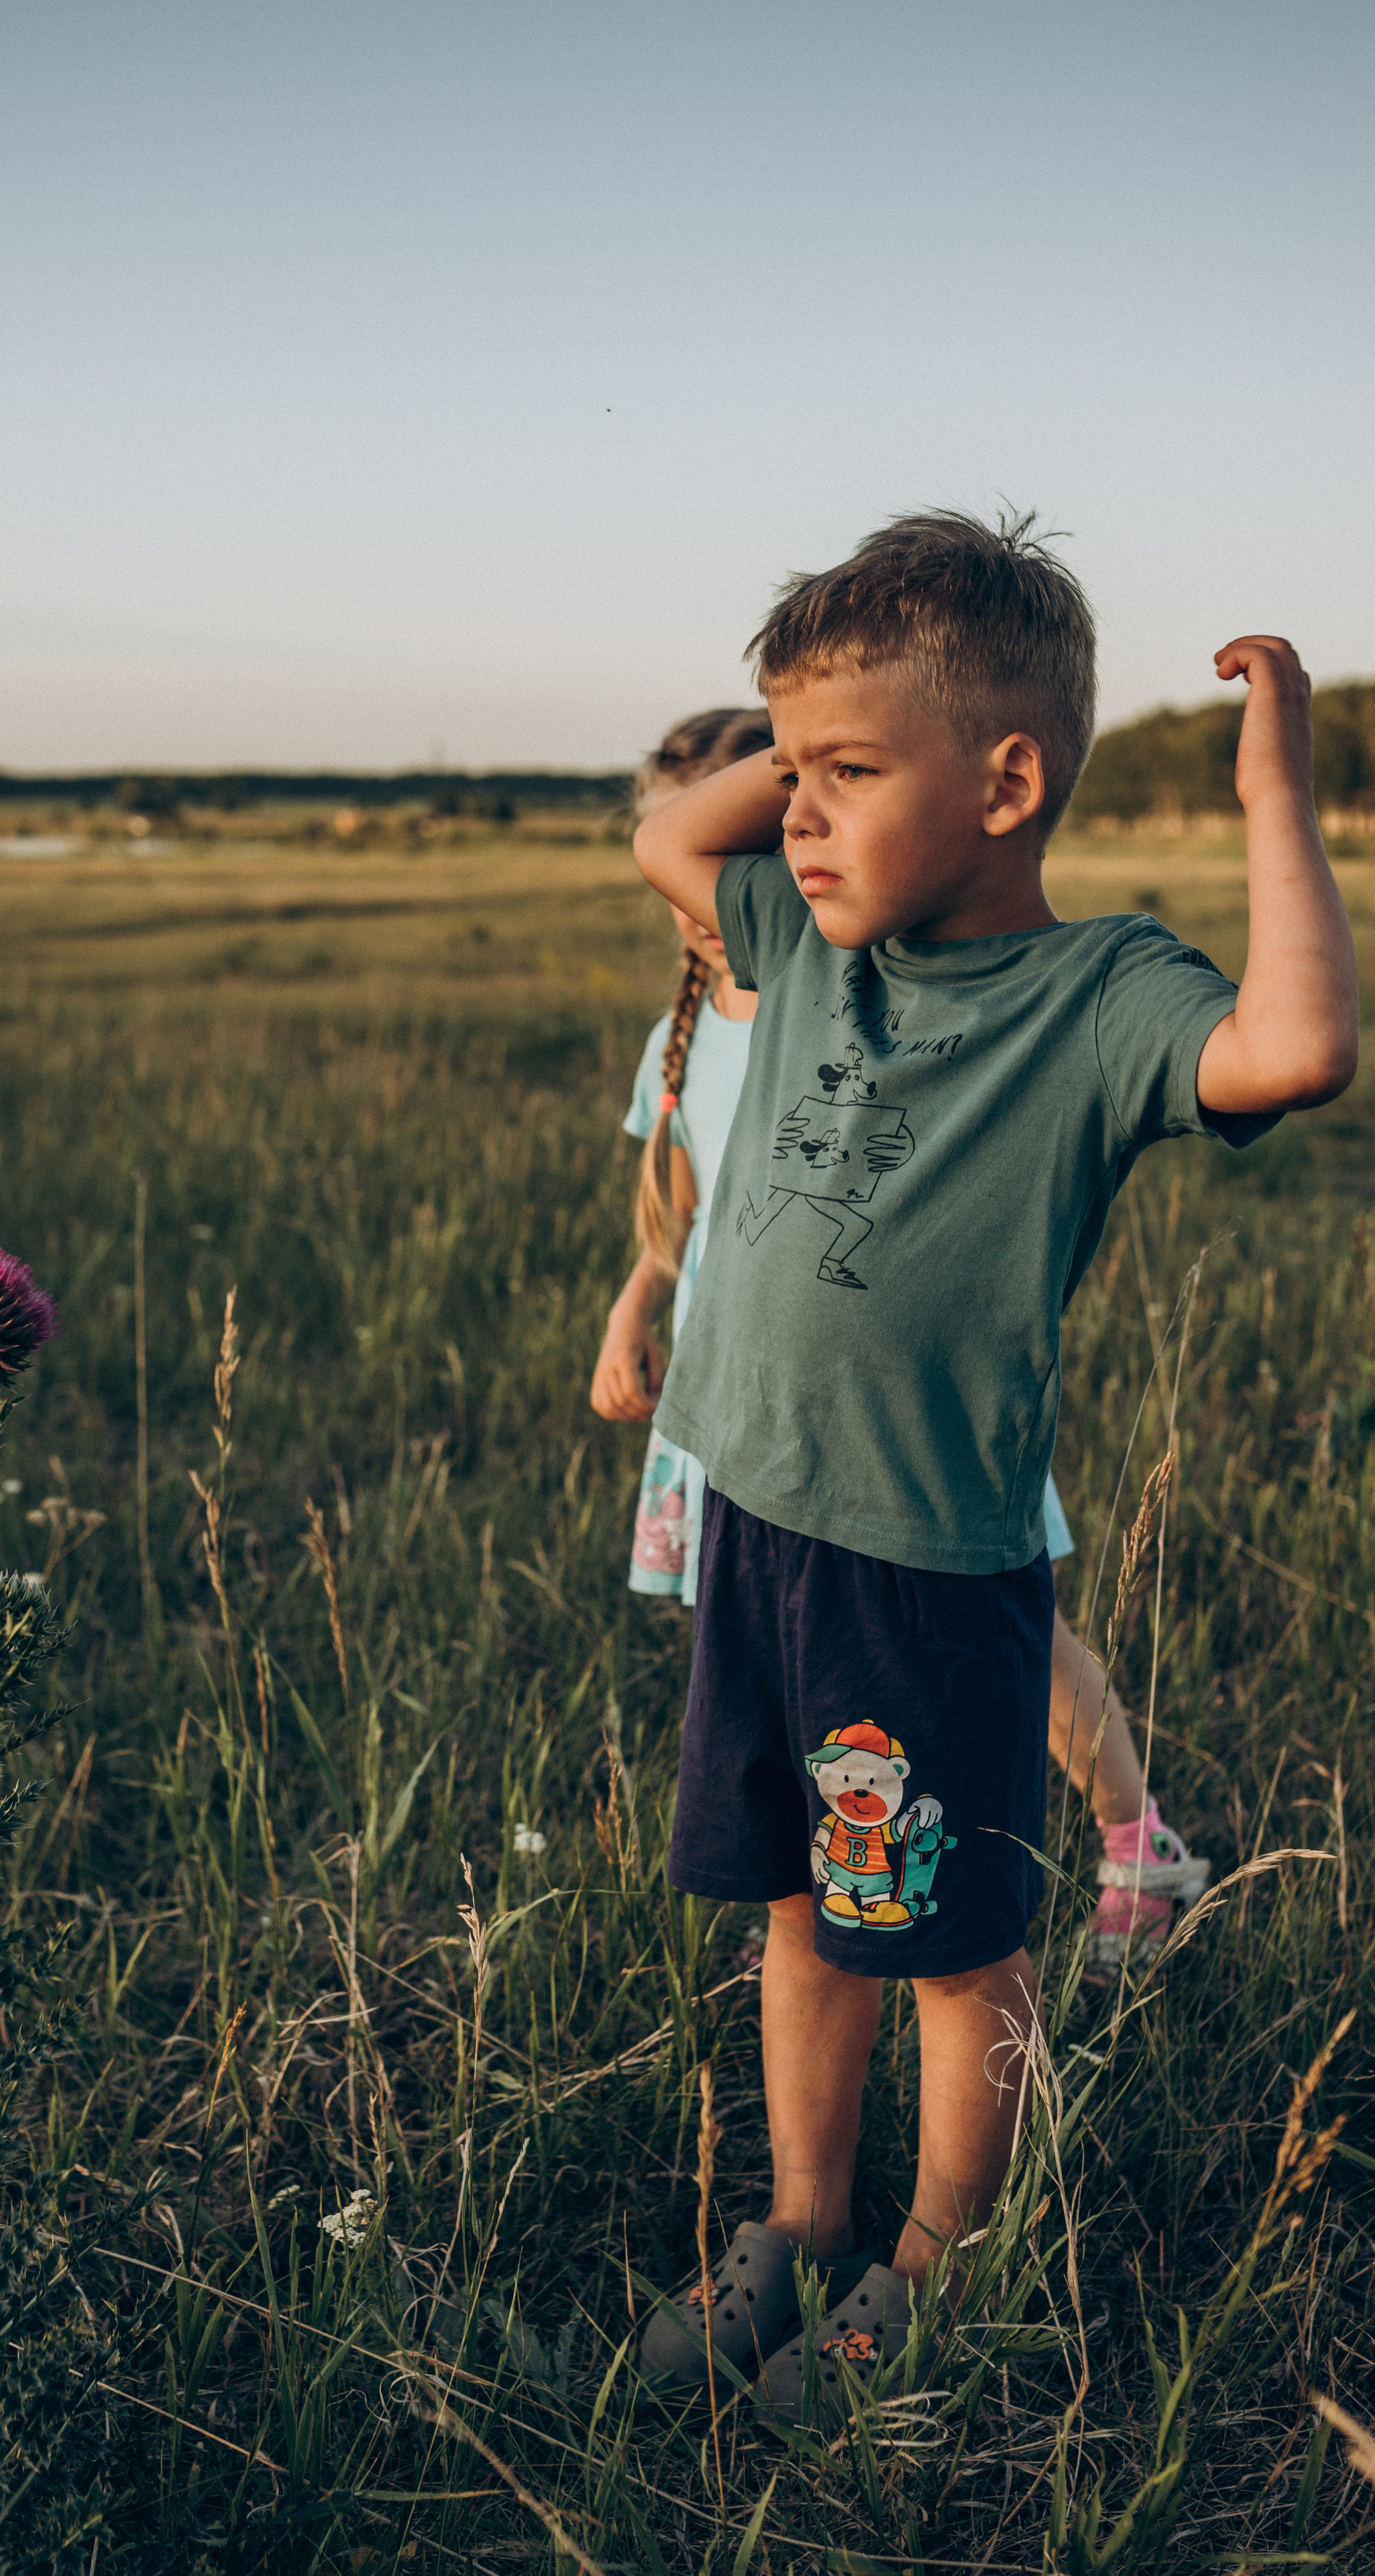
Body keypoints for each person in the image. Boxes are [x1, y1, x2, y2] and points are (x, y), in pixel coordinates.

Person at [623, 512, 1357, 2419]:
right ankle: (801, 2226)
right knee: (802, 1903)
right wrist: (822, 738)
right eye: (792, 769)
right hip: (759, 1526)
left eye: (849, 775)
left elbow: (1293, 1049)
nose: (796, 813)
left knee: (951, 1944)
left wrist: (1274, 790)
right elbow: (669, 839)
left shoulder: (1098, 995)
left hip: (926, 1566)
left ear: (1009, 784)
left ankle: (939, 2264)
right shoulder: (806, 942)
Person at [593, 711, 1206, 1984]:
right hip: (756, 1409)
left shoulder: (840, 992)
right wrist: (632, 1311)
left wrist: (820, 731)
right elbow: (688, 1215)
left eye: (786, 828)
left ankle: (1134, 1839)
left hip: (911, 1420)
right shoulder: (687, 1034)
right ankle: (829, 1859)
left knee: (1022, 1652)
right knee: (805, 1660)